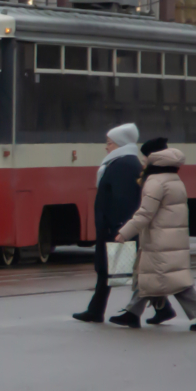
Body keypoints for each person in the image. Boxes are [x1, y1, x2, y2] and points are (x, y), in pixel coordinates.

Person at [109, 139, 196, 332]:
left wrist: (124, 233)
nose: (143, 161)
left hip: (160, 240)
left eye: (145, 158)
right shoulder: (173, 179)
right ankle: (132, 314)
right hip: (169, 238)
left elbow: (145, 213)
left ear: (154, 160)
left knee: (172, 282)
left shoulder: (155, 182)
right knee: (149, 277)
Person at [72, 123, 144, 323]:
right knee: (110, 270)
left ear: (119, 143)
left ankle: (97, 311)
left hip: (116, 227)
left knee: (114, 270)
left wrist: (117, 227)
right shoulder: (123, 162)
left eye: (109, 143)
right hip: (114, 226)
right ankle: (96, 310)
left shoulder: (123, 165)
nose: (106, 147)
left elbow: (122, 199)